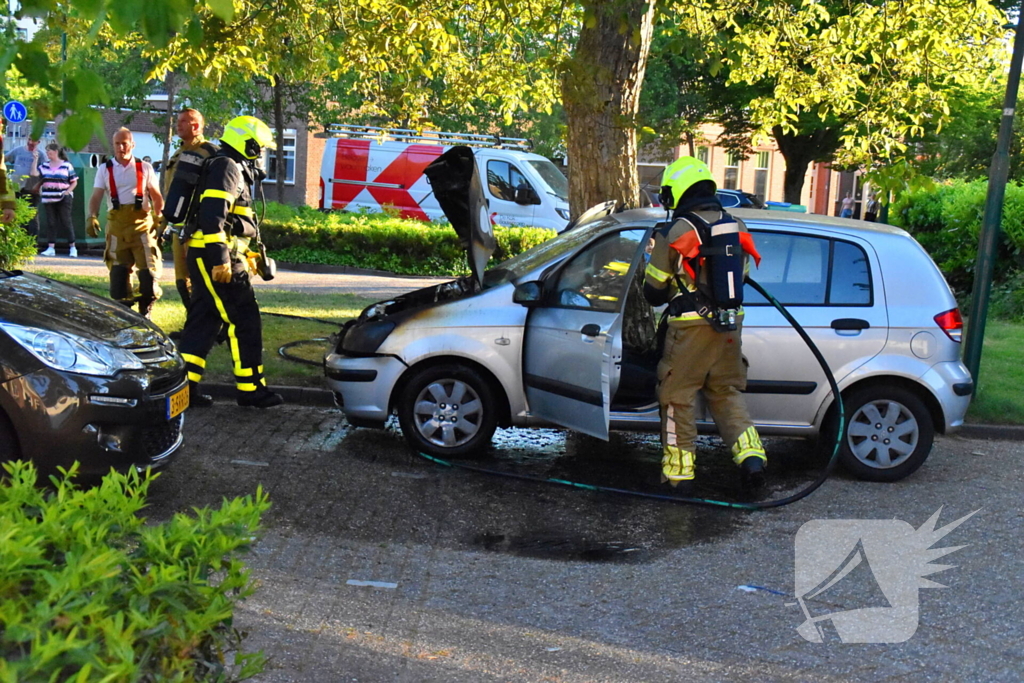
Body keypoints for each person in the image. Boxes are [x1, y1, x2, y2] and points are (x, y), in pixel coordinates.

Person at [644, 156, 766, 489]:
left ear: (678, 191)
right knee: (725, 391)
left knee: (676, 395)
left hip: (690, 328)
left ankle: (678, 476)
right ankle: (751, 458)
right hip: (730, 324)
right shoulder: (736, 225)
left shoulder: (676, 232)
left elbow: (653, 292)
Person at [178, 115, 283, 409]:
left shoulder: (230, 166)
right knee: (244, 319)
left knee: (204, 321)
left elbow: (231, 222)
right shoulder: (226, 166)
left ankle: (184, 389)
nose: (261, 153)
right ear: (246, 143)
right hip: (214, 257)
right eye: (258, 147)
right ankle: (251, 389)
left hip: (209, 255)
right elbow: (213, 216)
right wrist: (221, 260)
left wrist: (244, 253)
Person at [86, 128, 164, 318]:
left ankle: (146, 309)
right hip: (116, 227)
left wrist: (159, 216)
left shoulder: (145, 167)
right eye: (117, 144)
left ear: (132, 144)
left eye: (124, 143)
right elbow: (96, 196)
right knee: (118, 273)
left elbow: (156, 195)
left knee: (148, 272)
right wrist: (91, 216)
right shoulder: (105, 169)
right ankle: (125, 313)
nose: (121, 147)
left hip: (142, 226)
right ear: (113, 145)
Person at [161, 108, 219, 315]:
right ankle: (192, 323)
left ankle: (207, 328)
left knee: (198, 279)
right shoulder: (180, 152)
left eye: (184, 121)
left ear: (196, 126)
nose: (178, 125)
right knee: (181, 280)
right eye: (178, 121)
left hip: (196, 228)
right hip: (178, 226)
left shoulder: (209, 153)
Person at [38, 143, 79, 257]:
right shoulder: (44, 166)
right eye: (46, 151)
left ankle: (72, 247)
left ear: (56, 151)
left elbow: (74, 181)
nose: (47, 153)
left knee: (66, 221)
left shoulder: (66, 165)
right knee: (51, 222)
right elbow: (37, 176)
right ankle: (51, 248)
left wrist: (67, 192)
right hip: (48, 198)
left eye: (49, 151)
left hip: (63, 197)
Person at [4, 136, 43, 236]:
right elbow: (5, 158)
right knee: (17, 214)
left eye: (33, 141)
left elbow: (45, 171)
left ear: (38, 142)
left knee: (32, 216)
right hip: (17, 187)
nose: (30, 143)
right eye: (29, 140)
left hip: (31, 188)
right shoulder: (18, 150)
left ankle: (32, 240)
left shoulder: (41, 155)